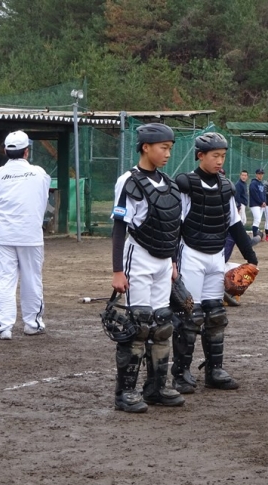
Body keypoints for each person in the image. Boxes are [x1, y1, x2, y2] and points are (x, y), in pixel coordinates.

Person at [172, 132, 258, 394]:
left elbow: (235, 225)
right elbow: (175, 226)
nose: (220, 161)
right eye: (215, 156)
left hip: (216, 256)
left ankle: (214, 370)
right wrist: (171, 261)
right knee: (190, 315)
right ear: (200, 155)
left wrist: (252, 258)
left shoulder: (226, 187)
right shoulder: (187, 184)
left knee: (216, 315)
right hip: (191, 254)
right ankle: (181, 373)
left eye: (223, 156)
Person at [110, 122, 184, 413]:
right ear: (145, 147)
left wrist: (174, 262)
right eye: (163, 148)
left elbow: (173, 226)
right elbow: (119, 227)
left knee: (162, 324)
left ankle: (156, 388)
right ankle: (125, 392)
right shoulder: (128, 180)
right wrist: (118, 271)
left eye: (170, 148)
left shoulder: (168, 182)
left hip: (164, 261)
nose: (168, 154)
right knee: (138, 324)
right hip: (138, 257)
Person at [0, 131, 50, 341]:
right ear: (27, 151)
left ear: (5, 151)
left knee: (4, 280)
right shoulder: (39, 173)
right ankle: (32, 324)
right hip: (31, 235)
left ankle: (4, 327)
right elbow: (43, 198)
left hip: (4, 236)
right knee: (32, 279)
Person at [249, 168, 266, 239]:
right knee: (257, 219)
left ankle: (256, 233)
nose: (261, 175)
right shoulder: (253, 183)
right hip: (255, 204)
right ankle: (255, 235)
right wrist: (261, 202)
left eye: (262, 174)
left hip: (261, 205)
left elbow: (264, 194)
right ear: (256, 174)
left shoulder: (261, 183)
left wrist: (264, 202)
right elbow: (254, 194)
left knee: (258, 221)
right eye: (259, 174)